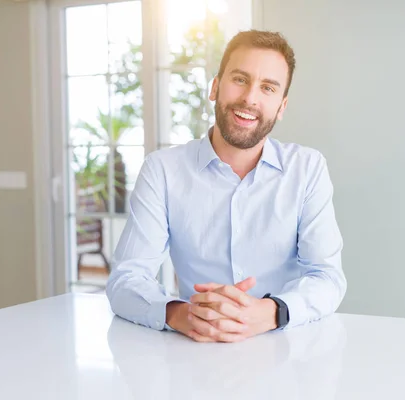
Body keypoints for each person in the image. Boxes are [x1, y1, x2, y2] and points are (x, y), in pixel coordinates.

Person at [106, 30, 346, 343]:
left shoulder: (307, 169)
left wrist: (270, 312)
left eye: (268, 88)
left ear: (282, 106)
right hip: (194, 348)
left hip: (285, 348)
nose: (250, 98)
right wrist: (182, 314)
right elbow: (126, 278)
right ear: (215, 86)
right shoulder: (162, 170)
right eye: (240, 79)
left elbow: (328, 277)